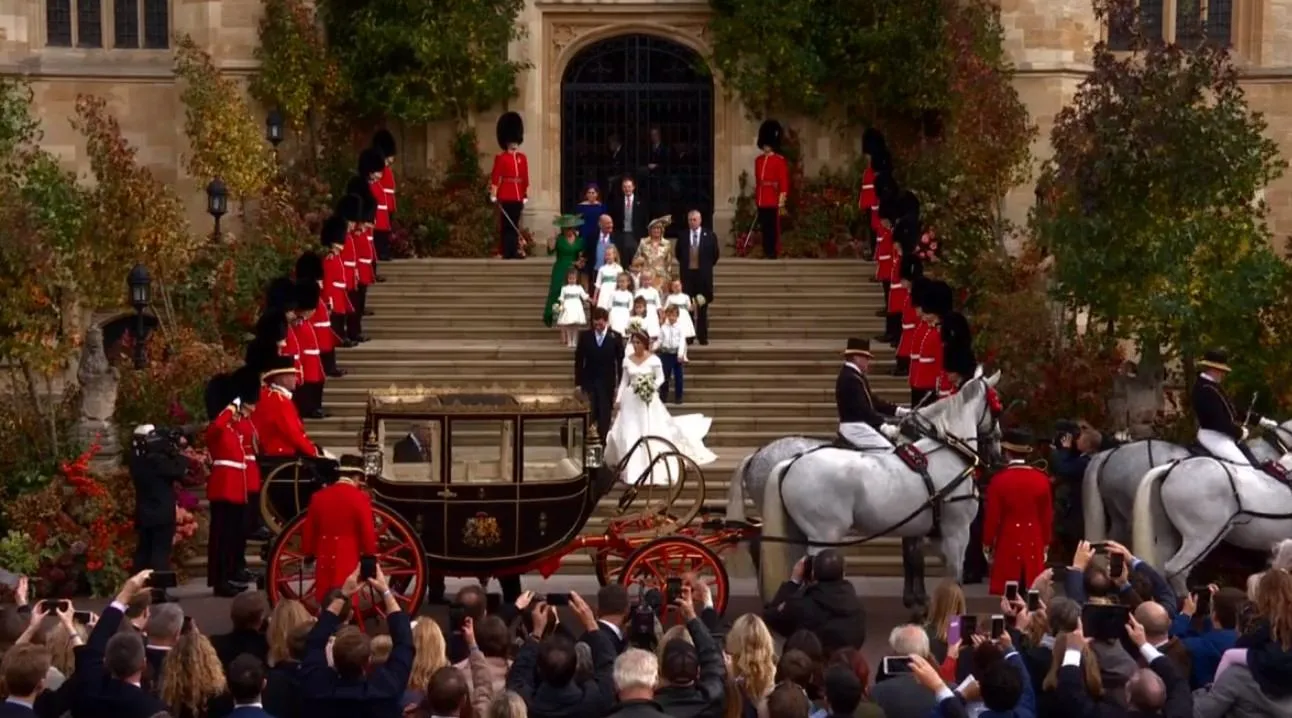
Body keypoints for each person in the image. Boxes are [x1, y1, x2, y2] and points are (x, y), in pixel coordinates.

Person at [605, 329, 716, 486]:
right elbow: (624, 381)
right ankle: (630, 467)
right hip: (631, 399)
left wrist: (651, 387)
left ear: (645, 344)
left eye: (638, 342)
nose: (636, 345)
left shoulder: (654, 360)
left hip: (648, 399)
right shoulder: (627, 360)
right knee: (629, 431)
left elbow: (661, 377)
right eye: (633, 342)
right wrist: (618, 399)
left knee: (649, 429)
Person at [205, 370, 258, 597]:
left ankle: (228, 576)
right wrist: (231, 407)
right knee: (221, 537)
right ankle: (220, 580)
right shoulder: (217, 428)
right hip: (223, 487)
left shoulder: (233, 428)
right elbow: (217, 425)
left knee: (232, 537)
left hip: (236, 489)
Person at [982, 429, 1053, 595]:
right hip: (1034, 540)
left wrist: (987, 542)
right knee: (1033, 592)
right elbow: (1047, 517)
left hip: (1008, 540)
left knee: (1009, 594)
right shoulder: (1042, 479)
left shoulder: (998, 481)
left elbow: (992, 518)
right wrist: (1046, 543)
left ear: (1007, 453)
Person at [1193, 349, 1282, 477]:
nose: (1223, 374)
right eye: (1222, 371)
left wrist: (1260, 420)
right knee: (1245, 470)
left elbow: (1233, 411)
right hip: (1213, 436)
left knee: (1254, 465)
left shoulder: (1213, 386)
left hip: (1223, 435)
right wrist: (1238, 431)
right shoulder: (1204, 388)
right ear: (1213, 369)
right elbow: (1216, 421)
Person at [302, 455, 377, 603]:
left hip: (324, 554)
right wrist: (369, 555)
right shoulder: (360, 498)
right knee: (345, 599)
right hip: (348, 554)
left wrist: (308, 554)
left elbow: (309, 530)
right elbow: (367, 530)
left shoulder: (319, 496)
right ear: (356, 476)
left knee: (325, 598)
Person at [763, 551, 866, 654]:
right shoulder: (858, 609)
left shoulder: (800, 606)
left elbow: (771, 617)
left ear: (812, 574)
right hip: (845, 665)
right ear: (843, 574)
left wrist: (793, 582)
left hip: (809, 666)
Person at [128, 424, 187, 587]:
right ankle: (159, 590)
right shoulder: (158, 461)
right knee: (160, 552)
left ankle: (136, 587)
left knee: (143, 551)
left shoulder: (136, 459)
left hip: (144, 511)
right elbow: (180, 469)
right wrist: (176, 451)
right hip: (161, 512)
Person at [836, 338, 907, 451]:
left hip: (860, 425)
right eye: (866, 358)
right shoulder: (850, 377)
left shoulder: (855, 375)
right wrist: (883, 426)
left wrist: (898, 411)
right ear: (857, 358)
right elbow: (862, 408)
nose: (868, 362)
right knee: (888, 450)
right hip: (855, 427)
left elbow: (873, 401)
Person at [574, 307, 624, 442]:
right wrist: (578, 383)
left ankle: (603, 440)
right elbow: (579, 360)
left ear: (606, 321)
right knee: (591, 411)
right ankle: (590, 439)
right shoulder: (585, 336)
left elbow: (620, 362)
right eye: (595, 324)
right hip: (589, 380)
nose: (598, 327)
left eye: (601, 324)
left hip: (607, 381)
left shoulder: (615, 337)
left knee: (605, 412)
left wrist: (620, 384)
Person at [489, 112, 529, 260]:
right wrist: (494, 193)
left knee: (515, 224)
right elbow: (496, 176)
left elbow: (525, 177)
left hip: (518, 195)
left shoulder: (522, 158)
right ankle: (507, 251)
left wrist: (524, 194)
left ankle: (513, 250)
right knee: (507, 225)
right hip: (506, 193)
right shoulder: (501, 158)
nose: (514, 144)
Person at [675, 210, 717, 345]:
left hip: (703, 277)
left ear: (700, 220)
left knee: (702, 306)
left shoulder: (710, 235)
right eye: (690, 220)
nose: (692, 222)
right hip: (688, 276)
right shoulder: (682, 236)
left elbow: (715, 255)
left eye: (694, 219)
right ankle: (689, 336)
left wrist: (704, 267)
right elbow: (678, 254)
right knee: (689, 307)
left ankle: (702, 336)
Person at [912, 280, 952, 405]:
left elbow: (941, 364)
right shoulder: (932, 330)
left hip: (932, 387)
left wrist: (939, 388)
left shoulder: (940, 333)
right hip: (923, 385)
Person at [754, 120, 790, 259]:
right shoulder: (758, 160)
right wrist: (757, 198)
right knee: (764, 227)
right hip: (762, 198)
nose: (765, 147)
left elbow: (783, 182)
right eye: (764, 145)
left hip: (773, 198)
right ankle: (766, 249)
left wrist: (781, 201)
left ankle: (772, 251)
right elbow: (759, 181)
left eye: (767, 145)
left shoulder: (779, 161)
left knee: (773, 228)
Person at [544, 214, 587, 328]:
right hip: (560, 268)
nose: (569, 230)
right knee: (557, 292)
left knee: (572, 294)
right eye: (567, 228)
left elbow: (582, 256)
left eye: (571, 228)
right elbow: (550, 252)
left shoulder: (579, 240)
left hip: (574, 270)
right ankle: (555, 316)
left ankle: (571, 318)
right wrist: (550, 242)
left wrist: (580, 262)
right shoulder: (559, 239)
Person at [318, 216, 354, 351]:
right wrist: (328, 299)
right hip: (333, 294)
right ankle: (339, 339)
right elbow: (327, 280)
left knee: (340, 319)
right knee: (335, 320)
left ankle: (341, 338)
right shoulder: (329, 258)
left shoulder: (336, 256)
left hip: (339, 292)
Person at [371, 128, 398, 268]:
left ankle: (383, 251)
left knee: (385, 231)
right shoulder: (379, 168)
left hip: (387, 205)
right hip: (381, 206)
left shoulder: (385, 168)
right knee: (380, 233)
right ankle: (381, 252)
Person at [635, 216, 677, 289]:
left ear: (662, 230)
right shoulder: (643, 242)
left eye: (658, 228)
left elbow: (669, 263)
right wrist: (641, 268)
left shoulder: (667, 244)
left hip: (662, 278)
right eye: (654, 228)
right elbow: (635, 260)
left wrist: (669, 279)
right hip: (647, 277)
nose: (656, 230)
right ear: (650, 230)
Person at [657, 305, 688, 404]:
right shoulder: (663, 327)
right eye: (669, 315)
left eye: (674, 315)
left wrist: (680, 354)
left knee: (678, 377)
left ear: (677, 316)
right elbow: (660, 340)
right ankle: (663, 396)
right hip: (665, 354)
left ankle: (678, 396)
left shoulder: (680, 328)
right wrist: (654, 346)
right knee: (665, 376)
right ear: (666, 315)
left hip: (675, 355)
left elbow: (682, 342)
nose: (671, 318)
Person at [576, 184, 606, 282]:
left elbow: (604, 221)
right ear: (586, 194)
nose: (591, 195)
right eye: (589, 192)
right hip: (584, 235)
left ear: (597, 194)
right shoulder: (580, 207)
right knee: (584, 262)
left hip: (597, 236)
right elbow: (577, 221)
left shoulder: (601, 207)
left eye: (593, 192)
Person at [613, 176, 647, 262]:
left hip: (635, 235)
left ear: (633, 187)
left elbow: (644, 220)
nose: (627, 189)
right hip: (622, 235)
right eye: (624, 187)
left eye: (629, 186)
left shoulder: (641, 202)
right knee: (623, 260)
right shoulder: (617, 202)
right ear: (622, 188)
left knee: (636, 261)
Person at [554, 268, 590, 348]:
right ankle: (569, 340)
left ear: (576, 279)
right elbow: (562, 298)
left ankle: (574, 340)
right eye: (570, 278)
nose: (572, 280)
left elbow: (584, 296)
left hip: (576, 306)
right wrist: (562, 306)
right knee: (568, 325)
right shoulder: (564, 288)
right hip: (568, 307)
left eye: (573, 278)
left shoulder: (579, 288)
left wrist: (591, 300)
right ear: (567, 279)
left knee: (575, 326)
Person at [663, 279, 696, 344]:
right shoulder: (670, 297)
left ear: (681, 286)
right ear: (672, 288)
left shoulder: (686, 296)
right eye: (675, 286)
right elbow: (665, 308)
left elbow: (689, 308)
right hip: (673, 316)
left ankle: (683, 346)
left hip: (684, 317)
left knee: (683, 331)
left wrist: (693, 306)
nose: (677, 288)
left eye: (678, 285)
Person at [593, 243, 623, 312]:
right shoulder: (602, 269)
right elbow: (598, 285)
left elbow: (620, 283)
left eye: (609, 255)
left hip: (614, 293)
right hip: (603, 294)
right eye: (606, 255)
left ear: (614, 255)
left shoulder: (619, 269)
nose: (608, 257)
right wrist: (594, 297)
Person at [633, 272, 664, 339]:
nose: (646, 281)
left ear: (651, 280)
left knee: (653, 333)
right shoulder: (638, 292)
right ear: (641, 280)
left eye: (648, 279)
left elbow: (658, 306)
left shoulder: (654, 291)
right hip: (642, 315)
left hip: (652, 314)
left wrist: (661, 318)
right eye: (644, 279)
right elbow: (635, 306)